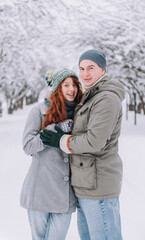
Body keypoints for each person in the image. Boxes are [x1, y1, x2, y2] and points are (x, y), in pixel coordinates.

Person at [40, 50, 125, 240]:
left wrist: (61, 141)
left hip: (98, 187)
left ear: (102, 70)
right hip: (85, 185)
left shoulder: (106, 99)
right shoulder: (91, 96)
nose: (85, 73)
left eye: (91, 68)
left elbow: (94, 141)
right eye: (81, 68)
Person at [20, 68, 83, 240]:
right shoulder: (38, 111)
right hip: (40, 190)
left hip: (65, 194)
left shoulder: (81, 113)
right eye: (66, 85)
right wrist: (53, 130)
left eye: (74, 85)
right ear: (57, 88)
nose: (72, 89)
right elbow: (27, 146)